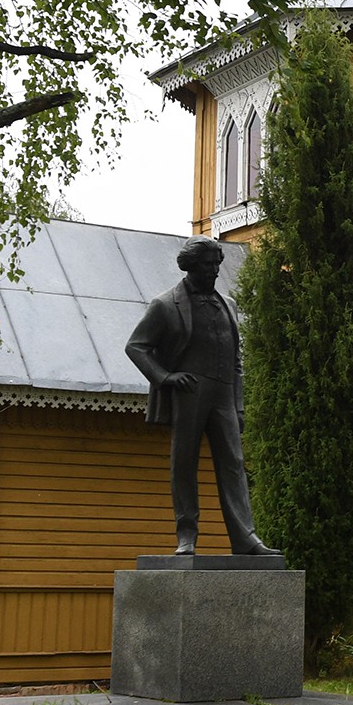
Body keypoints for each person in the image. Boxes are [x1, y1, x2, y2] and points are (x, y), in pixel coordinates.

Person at [126, 236, 280, 558]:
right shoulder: (166, 305)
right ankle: (186, 536)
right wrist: (165, 377)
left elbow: (237, 360)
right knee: (184, 463)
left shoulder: (229, 305)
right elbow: (136, 346)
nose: (214, 270)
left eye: (216, 264)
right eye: (208, 265)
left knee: (234, 463)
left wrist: (238, 404)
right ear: (191, 266)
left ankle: (245, 538)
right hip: (189, 393)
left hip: (224, 394)